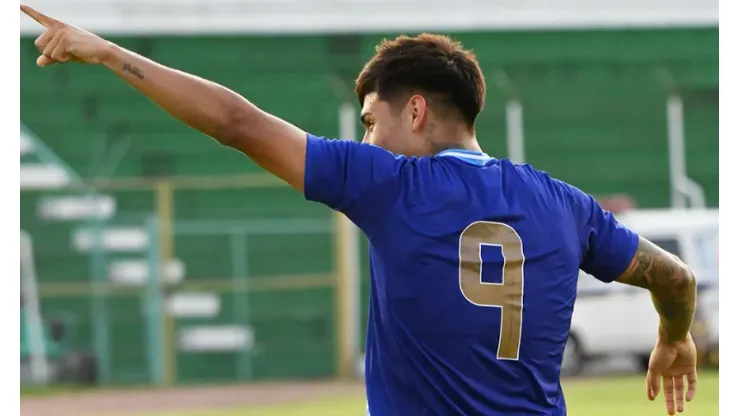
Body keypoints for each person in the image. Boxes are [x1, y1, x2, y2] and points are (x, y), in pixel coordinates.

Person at [20, 5, 699, 415]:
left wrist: (108, 53)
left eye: (372, 121)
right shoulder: (566, 204)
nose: (367, 138)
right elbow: (675, 278)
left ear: (416, 110)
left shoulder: (390, 183)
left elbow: (235, 122)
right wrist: (673, 336)